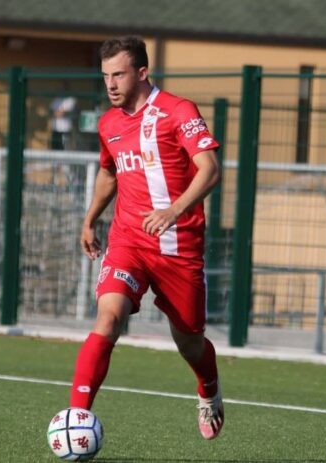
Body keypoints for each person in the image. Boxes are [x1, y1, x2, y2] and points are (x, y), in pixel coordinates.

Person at [70, 36, 224, 439]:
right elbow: (109, 173)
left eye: (118, 75)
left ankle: (208, 388)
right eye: (105, 76)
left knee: (190, 342)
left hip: (178, 247)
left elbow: (210, 168)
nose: (110, 84)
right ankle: (76, 418)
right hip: (129, 242)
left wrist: (174, 211)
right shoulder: (108, 123)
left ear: (142, 72)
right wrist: (90, 219)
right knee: (108, 317)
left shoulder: (178, 111)